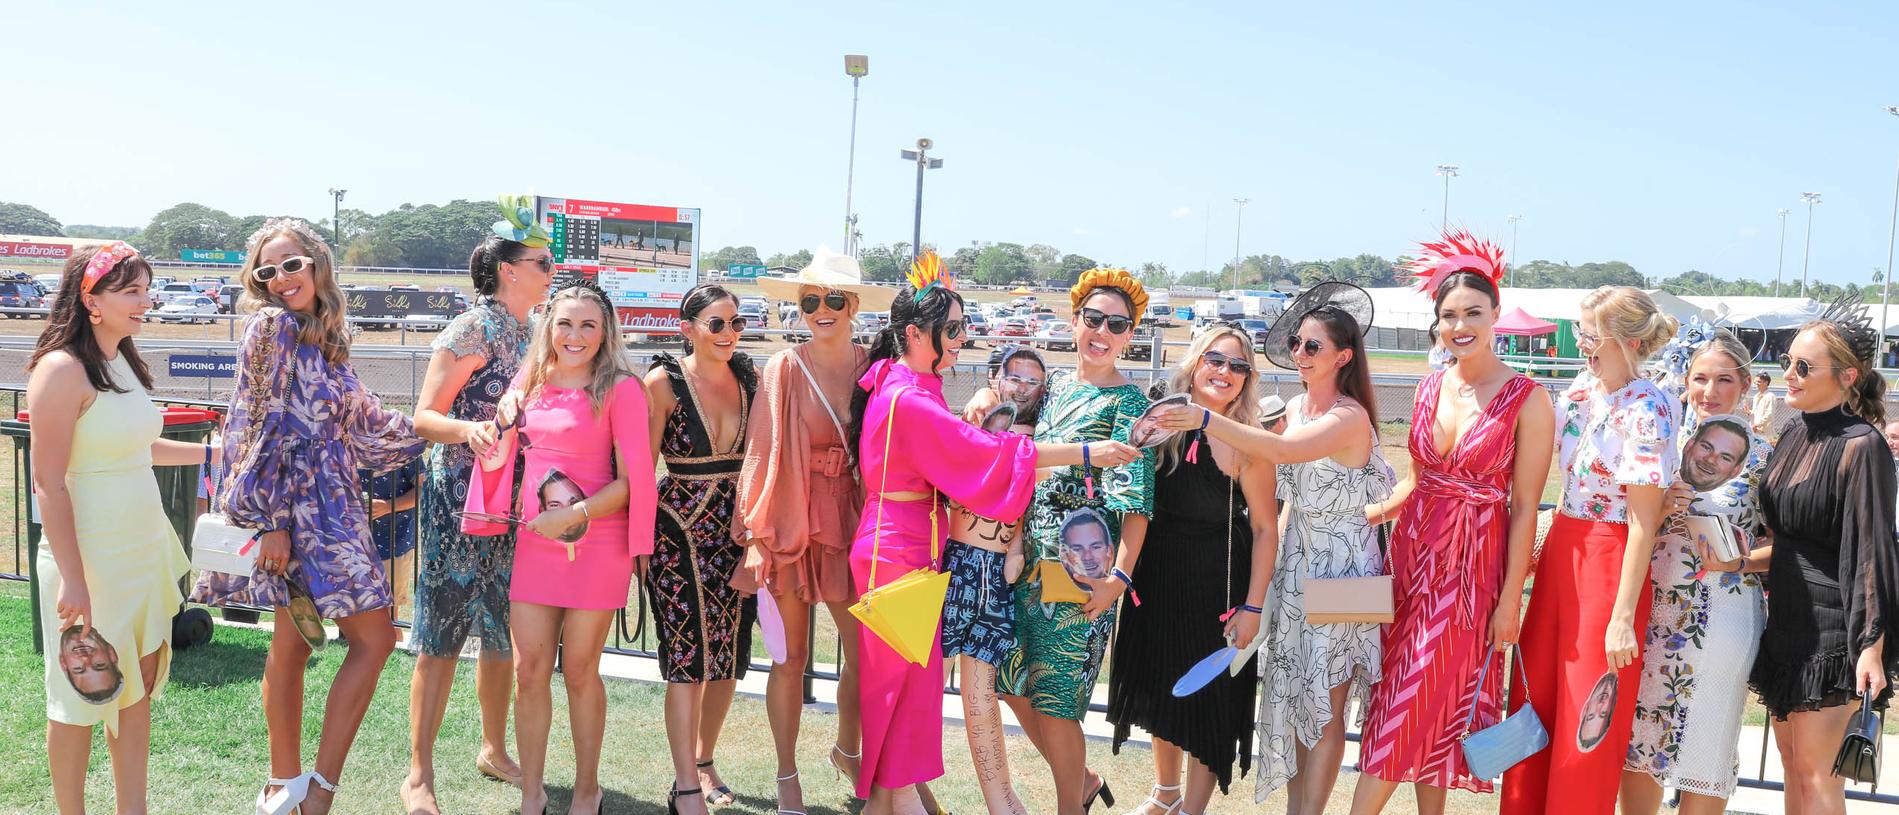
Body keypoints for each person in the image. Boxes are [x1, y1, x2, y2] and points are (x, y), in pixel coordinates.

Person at [852, 253, 1137, 815]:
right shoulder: (910, 397)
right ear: (914, 333)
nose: (963, 338)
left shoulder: (904, 379)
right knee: (899, 695)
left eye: (963, 326)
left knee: (909, 695)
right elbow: (986, 456)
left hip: (921, 550)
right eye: (952, 329)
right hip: (900, 552)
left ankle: (900, 803)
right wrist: (1085, 451)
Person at [191, 219, 427, 815]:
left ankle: (294, 789)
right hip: (293, 510)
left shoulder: (324, 337)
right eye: (267, 271)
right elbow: (252, 426)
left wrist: (443, 434)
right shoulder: (270, 327)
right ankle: (301, 788)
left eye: (291, 265)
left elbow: (365, 424)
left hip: (333, 504)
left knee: (302, 642)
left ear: (317, 265)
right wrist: (268, 518)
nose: (280, 279)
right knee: (366, 639)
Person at [1150, 282, 1393, 813]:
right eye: (1298, 346)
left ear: (1343, 357)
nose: (1300, 355)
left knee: (1326, 709)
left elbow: (1281, 451)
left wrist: (1210, 418)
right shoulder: (1301, 405)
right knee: (1291, 699)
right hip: (1296, 565)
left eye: (1313, 347)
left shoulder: (1347, 416)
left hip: (1346, 571)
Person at [1347, 235, 1554, 814]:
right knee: (1422, 708)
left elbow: (1524, 507)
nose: (1460, 326)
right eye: (1448, 316)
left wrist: (1510, 599)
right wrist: (1345, 520)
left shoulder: (1528, 399)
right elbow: (1414, 483)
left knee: (1408, 705)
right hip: (1409, 563)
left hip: (1470, 575)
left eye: (1473, 314)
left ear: (1495, 317)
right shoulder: (1429, 385)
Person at [28, 242, 210, 815]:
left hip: (142, 553)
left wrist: (217, 452)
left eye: (145, 288)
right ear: (91, 300)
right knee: (83, 695)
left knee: (136, 692)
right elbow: (48, 485)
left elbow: (139, 447)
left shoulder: (123, 362)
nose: (145, 300)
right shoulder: (61, 369)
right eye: (130, 290)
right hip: (90, 563)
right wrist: (75, 582)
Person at [469, 279, 656, 815]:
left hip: (597, 543)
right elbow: (505, 444)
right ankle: (533, 793)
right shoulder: (528, 381)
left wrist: (575, 514)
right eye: (565, 323)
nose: (575, 335)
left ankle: (586, 791)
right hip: (536, 543)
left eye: (588, 325)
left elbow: (633, 479)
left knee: (579, 672)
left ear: (605, 332)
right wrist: (493, 429)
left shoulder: (620, 387)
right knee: (529, 673)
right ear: (549, 327)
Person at [1499, 286, 1678, 815]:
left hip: (1610, 562)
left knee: (1587, 718)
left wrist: (1623, 617)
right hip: (1560, 552)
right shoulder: (1581, 389)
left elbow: (1644, 523)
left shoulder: (1650, 407)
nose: (1582, 346)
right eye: (1581, 333)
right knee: (1534, 701)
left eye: (1591, 336)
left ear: (1628, 340)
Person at [987, 267, 1158, 815]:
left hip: (1082, 574)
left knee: (1058, 704)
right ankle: (1081, 781)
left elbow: (1136, 509)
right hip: (1027, 565)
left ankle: (1069, 807)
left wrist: (1118, 579)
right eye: (1093, 319)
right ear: (1075, 319)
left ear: (1131, 334)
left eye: (1118, 323)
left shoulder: (1128, 406)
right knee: (1010, 683)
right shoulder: (1055, 387)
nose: (1102, 331)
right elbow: (1014, 447)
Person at [402, 210, 552, 812]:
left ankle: (493, 748)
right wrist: (470, 430)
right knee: (440, 632)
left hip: (515, 505)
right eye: (542, 265)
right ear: (509, 271)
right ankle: (418, 773)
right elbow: (424, 416)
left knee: (500, 627)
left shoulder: (539, 330)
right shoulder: (471, 328)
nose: (551, 273)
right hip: (460, 501)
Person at [737, 249, 895, 813]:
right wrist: (757, 538)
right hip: (794, 520)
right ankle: (786, 775)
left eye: (832, 299)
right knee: (790, 657)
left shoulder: (877, 363)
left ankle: (852, 753)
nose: (821, 310)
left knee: (866, 654)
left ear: (853, 305)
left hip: (858, 520)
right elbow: (761, 451)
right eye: (809, 301)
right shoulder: (782, 367)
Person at [1107, 325, 1280, 815]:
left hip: (1217, 586)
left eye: (1239, 366)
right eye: (1216, 360)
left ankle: (1192, 810)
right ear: (1196, 361)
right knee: (1164, 690)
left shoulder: (1250, 441)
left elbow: (1266, 529)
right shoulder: (1160, 421)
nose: (1226, 373)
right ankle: (1165, 793)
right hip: (1158, 579)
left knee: (1207, 701)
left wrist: (1252, 606)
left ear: (1249, 379)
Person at [1750, 302, 1899, 815]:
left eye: (1802, 366)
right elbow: (1781, 533)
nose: (1786, 374)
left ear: (1847, 376)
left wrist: (1872, 646)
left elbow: (1874, 552)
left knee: (1818, 777)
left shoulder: (1864, 446)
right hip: (1787, 622)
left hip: (1836, 630)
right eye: (1787, 361)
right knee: (1794, 767)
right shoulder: (1793, 432)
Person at [1620, 327, 1773, 815]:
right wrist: (1659, 508)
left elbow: (1792, 543)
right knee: (1641, 743)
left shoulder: (1768, 457)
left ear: (1746, 384)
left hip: (1723, 616)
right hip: (1652, 609)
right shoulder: (1659, 443)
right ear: (1685, 379)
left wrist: (1744, 560)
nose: (1711, 392)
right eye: (1701, 378)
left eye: (1724, 380)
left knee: (1707, 738)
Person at [644, 284, 758, 815]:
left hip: (738, 535)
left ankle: (706, 760)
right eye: (717, 324)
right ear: (687, 328)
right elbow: (641, 471)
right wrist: (638, 541)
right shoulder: (662, 383)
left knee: (730, 659)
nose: (730, 333)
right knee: (688, 660)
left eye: (736, 322)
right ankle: (685, 783)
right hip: (676, 535)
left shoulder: (750, 380)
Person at [941, 343, 1049, 815]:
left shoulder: (1040, 431)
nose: (1021, 386)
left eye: (1032, 380)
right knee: (922, 683)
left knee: (980, 693)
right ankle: (898, 789)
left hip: (998, 572)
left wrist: (1019, 544)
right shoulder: (977, 417)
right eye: (1014, 376)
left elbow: (1022, 499)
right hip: (957, 562)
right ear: (996, 377)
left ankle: (1001, 802)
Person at [361, 457, 420, 614]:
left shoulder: (405, 446)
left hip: (394, 544)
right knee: (356, 608)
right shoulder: (347, 443)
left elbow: (424, 488)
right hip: (354, 544)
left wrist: (388, 506)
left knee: (388, 612)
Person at [1752, 372, 1778, 436]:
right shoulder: (1756, 396)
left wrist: (1757, 425)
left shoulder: (1770, 396)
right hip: (1755, 431)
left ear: (1766, 383)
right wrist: (1749, 412)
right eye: (1756, 382)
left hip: (1765, 433)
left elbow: (1769, 415)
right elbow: (1755, 413)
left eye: (1759, 382)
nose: (1756, 384)